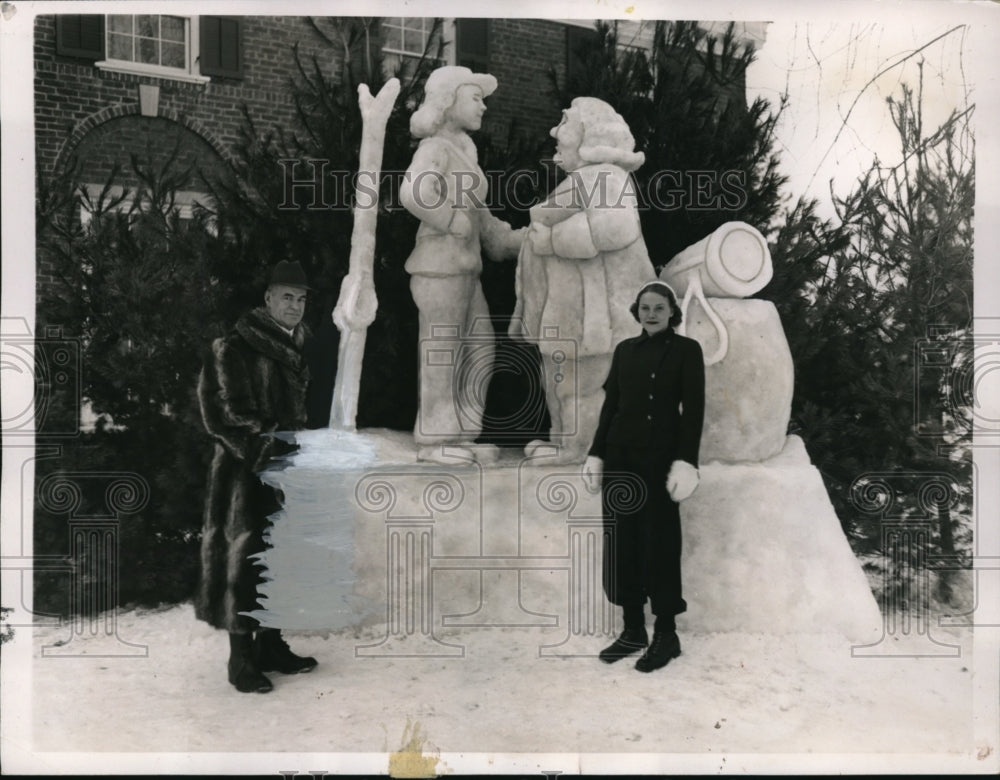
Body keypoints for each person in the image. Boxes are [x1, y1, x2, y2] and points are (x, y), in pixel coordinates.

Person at [509, 97, 656, 464]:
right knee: (560, 378)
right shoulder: (585, 179)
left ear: (589, 135)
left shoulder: (605, 177)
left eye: (566, 124)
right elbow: (541, 230)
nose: (555, 132)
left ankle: (578, 448)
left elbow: (615, 227)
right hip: (566, 309)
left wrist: (554, 240)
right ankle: (562, 442)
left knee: (577, 383)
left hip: (592, 311)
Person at [195, 259, 318, 693]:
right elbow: (223, 414)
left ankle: (271, 645)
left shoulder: (298, 345)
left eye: (301, 299)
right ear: (267, 299)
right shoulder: (234, 347)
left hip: (286, 472)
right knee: (245, 561)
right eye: (287, 296)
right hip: (245, 476)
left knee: (281, 560)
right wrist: (267, 448)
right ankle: (241, 659)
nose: (295, 306)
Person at [399, 65, 523, 463]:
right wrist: (451, 219)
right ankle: (436, 440)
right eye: (476, 98)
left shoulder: (465, 151)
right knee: (442, 350)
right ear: (449, 101)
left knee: (481, 347)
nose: (483, 107)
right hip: (438, 267)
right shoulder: (434, 148)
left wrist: (515, 241)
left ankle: (463, 435)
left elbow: (482, 218)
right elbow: (413, 192)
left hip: (466, 269)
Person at [583, 280, 705, 672]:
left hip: (659, 461)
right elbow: (611, 406)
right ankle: (633, 629)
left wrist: (687, 461)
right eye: (645, 307)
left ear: (672, 311)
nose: (651, 313)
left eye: (659, 307)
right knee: (623, 543)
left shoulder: (687, 351)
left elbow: (695, 410)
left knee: (660, 545)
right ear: (637, 311)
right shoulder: (625, 351)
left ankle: (666, 635)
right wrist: (596, 453)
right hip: (621, 458)